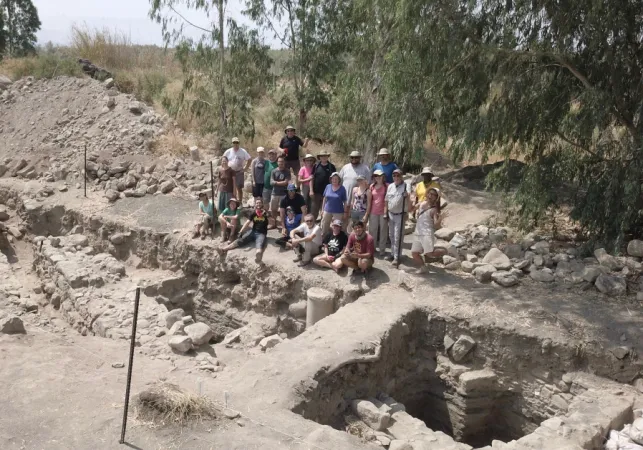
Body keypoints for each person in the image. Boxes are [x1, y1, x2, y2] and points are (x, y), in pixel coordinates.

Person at [219, 197, 269, 263]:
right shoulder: (254, 213)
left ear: (262, 204)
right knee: (240, 240)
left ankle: (258, 257)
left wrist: (266, 215)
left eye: (260, 203)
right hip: (253, 231)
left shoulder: (265, 213)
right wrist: (241, 231)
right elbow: (247, 222)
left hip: (261, 233)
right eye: (257, 203)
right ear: (255, 204)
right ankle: (223, 249)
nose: (258, 204)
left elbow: (272, 221)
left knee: (259, 245)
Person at [411, 188, 447, 274]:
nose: (430, 196)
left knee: (429, 254)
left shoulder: (434, 210)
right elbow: (410, 209)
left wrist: (441, 218)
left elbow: (436, 225)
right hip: (418, 232)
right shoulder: (421, 204)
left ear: (436, 198)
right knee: (414, 253)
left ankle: (447, 251)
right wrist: (410, 199)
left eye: (433, 195)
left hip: (427, 233)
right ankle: (423, 267)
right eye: (429, 193)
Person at [385, 168, 410, 268]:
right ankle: (392, 253)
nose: (396, 177)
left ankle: (397, 257)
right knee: (391, 235)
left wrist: (406, 195)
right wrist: (385, 212)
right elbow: (386, 199)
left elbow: (409, 197)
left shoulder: (406, 186)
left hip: (400, 214)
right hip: (391, 214)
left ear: (401, 176)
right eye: (394, 176)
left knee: (398, 236)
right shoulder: (390, 186)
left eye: (398, 175)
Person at [367, 169, 388, 257]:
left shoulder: (387, 186)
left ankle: (382, 249)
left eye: (379, 176)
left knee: (383, 230)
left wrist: (386, 212)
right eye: (376, 176)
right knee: (372, 230)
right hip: (373, 211)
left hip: (383, 211)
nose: (378, 178)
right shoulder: (372, 186)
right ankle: (373, 247)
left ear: (383, 176)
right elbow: (369, 200)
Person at [223, 137, 252, 202]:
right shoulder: (228, 151)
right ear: (232, 143)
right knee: (230, 187)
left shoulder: (242, 151)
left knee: (239, 188)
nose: (235, 144)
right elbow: (223, 159)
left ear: (239, 143)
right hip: (230, 172)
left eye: (237, 142)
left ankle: (240, 202)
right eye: (234, 143)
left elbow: (249, 159)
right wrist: (224, 169)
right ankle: (232, 202)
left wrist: (245, 168)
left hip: (239, 172)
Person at [310, 150, 336, 221]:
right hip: (316, 192)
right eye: (322, 156)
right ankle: (311, 227)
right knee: (314, 211)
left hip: (327, 193)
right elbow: (311, 178)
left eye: (325, 156)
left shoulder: (332, 167)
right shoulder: (316, 166)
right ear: (319, 157)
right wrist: (311, 190)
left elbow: (335, 180)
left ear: (327, 157)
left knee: (325, 211)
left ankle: (322, 228)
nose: (324, 157)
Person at [321, 172, 349, 236]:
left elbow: (345, 201)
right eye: (333, 179)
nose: (334, 180)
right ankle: (324, 239)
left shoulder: (342, 188)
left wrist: (345, 212)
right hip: (327, 210)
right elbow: (324, 199)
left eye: (336, 179)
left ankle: (339, 240)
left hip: (338, 211)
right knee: (324, 225)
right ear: (331, 179)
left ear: (339, 180)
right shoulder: (328, 186)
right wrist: (322, 210)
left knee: (338, 226)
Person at [270, 156, 291, 228]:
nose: (281, 163)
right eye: (279, 162)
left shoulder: (287, 171)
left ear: (284, 162)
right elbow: (271, 182)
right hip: (274, 193)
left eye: (282, 161)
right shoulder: (274, 171)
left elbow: (286, 182)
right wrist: (280, 183)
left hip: (283, 194)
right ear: (277, 162)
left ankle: (284, 225)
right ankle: (273, 224)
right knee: (273, 209)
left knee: (283, 210)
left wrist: (276, 183)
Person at [262, 149, 279, 226]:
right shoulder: (266, 162)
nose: (271, 156)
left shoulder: (278, 164)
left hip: (274, 189)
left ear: (276, 155)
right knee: (265, 205)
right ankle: (267, 220)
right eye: (270, 154)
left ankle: (273, 222)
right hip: (265, 188)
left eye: (273, 154)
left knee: (273, 207)